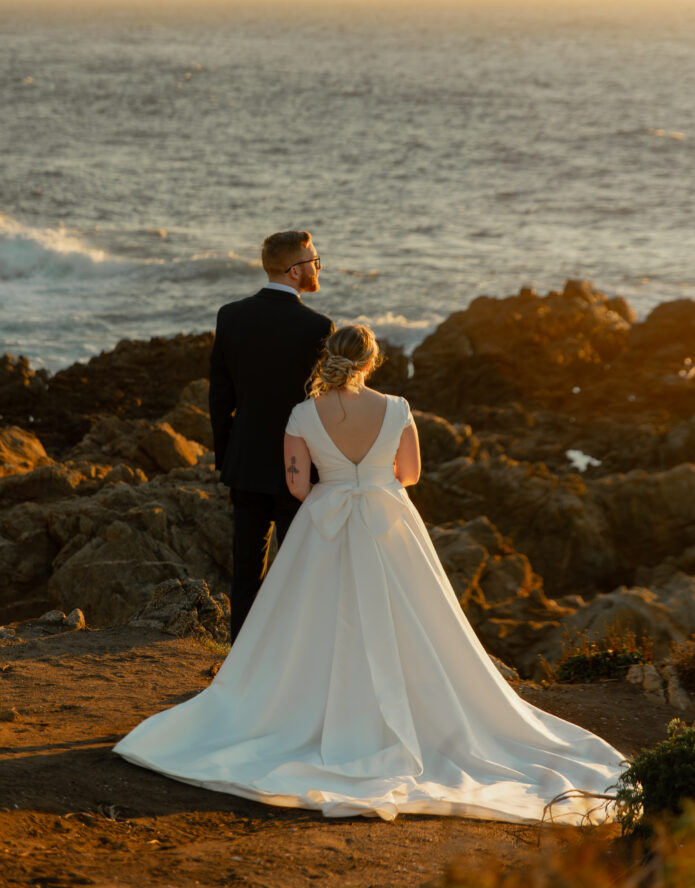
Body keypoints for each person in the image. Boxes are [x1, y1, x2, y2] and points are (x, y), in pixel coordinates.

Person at [114, 324, 625, 824]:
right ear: (370, 361)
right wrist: (372, 480)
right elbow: (411, 475)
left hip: (325, 523)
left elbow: (296, 487)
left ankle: (304, 716)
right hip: (390, 521)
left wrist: (336, 485)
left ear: (329, 359)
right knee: (416, 620)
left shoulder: (301, 414)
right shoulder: (398, 408)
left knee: (312, 623)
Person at [208, 230, 333, 642]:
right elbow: (324, 405)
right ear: (295, 271)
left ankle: (239, 662)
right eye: (315, 260)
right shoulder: (317, 327)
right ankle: (292, 661)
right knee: (300, 572)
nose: (318, 267)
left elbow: (219, 396)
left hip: (245, 463)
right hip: (300, 469)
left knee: (245, 572)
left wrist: (226, 457)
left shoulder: (230, 316)